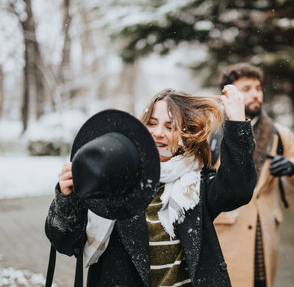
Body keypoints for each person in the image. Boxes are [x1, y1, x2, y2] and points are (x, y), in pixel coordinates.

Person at [45, 86, 257, 287]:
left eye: (170, 126)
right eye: (152, 123)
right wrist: (67, 198)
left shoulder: (195, 183)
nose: (158, 133)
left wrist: (237, 123)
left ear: (185, 133)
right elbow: (65, 241)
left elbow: (237, 190)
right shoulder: (114, 177)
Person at [210, 62, 294, 287]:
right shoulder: (213, 132)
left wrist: (292, 167)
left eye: (258, 88)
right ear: (227, 95)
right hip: (225, 234)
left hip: (264, 234)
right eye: (246, 89)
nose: (256, 94)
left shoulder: (278, 133)